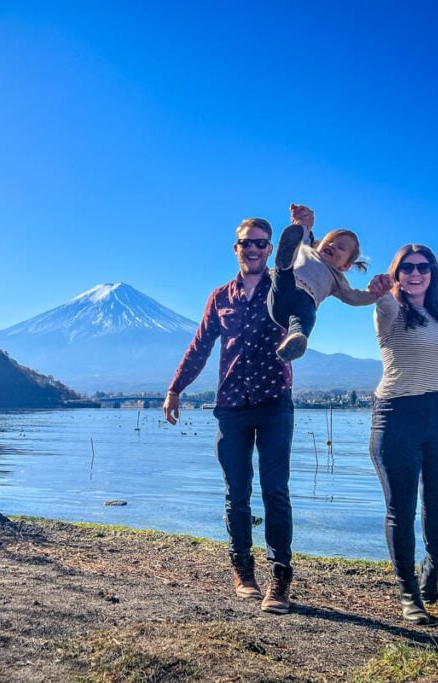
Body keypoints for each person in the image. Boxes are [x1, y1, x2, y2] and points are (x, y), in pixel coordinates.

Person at [163, 217, 296, 614]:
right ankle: (243, 571)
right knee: (236, 493)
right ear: (235, 248)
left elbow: (311, 281)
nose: (252, 249)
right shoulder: (220, 296)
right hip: (231, 406)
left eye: (260, 243)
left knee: (275, 491)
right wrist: (175, 388)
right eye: (245, 243)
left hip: (274, 402)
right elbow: (200, 345)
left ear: (270, 249)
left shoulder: (285, 288)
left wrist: (304, 230)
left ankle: (280, 579)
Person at [366, 244, 438, 624]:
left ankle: (433, 567)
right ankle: (408, 594)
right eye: (407, 268)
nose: (415, 273)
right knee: (401, 508)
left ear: (432, 273)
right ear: (398, 273)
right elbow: (381, 300)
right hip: (397, 415)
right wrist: (380, 288)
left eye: (423, 267)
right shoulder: (390, 310)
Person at [269, 204, 378, 361]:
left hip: (305, 302)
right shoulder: (306, 249)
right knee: (284, 275)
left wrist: (374, 294)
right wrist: (302, 221)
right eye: (330, 241)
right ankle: (284, 261)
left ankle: (295, 341)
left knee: (307, 316)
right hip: (285, 289)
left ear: (344, 266)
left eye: (340, 248)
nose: (332, 245)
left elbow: (354, 297)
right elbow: (303, 231)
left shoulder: (337, 278)